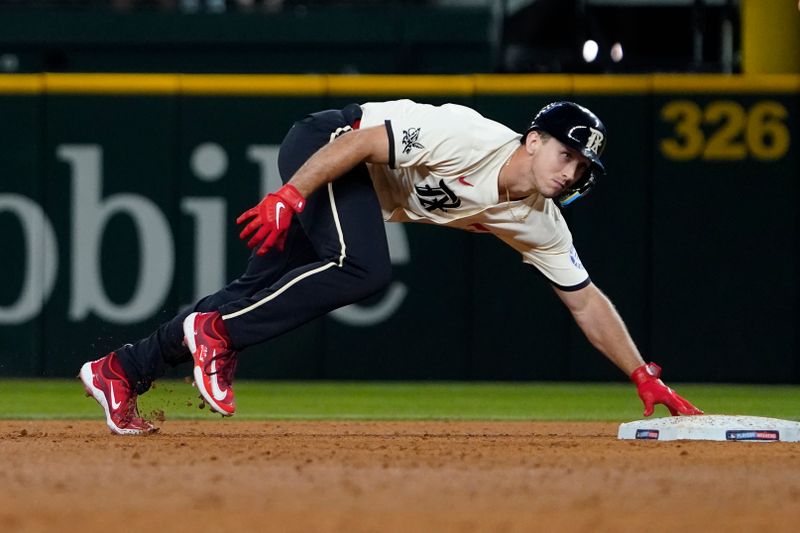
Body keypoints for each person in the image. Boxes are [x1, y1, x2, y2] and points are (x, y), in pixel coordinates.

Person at [79, 99, 702, 435]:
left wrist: (642, 374)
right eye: (566, 154)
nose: (569, 173)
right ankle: (215, 336)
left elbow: (585, 299)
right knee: (363, 269)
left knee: (254, 291)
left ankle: (119, 371)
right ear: (534, 140)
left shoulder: (539, 219)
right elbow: (360, 142)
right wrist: (289, 196)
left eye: (581, 169)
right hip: (329, 146)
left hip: (356, 188)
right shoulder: (469, 134)